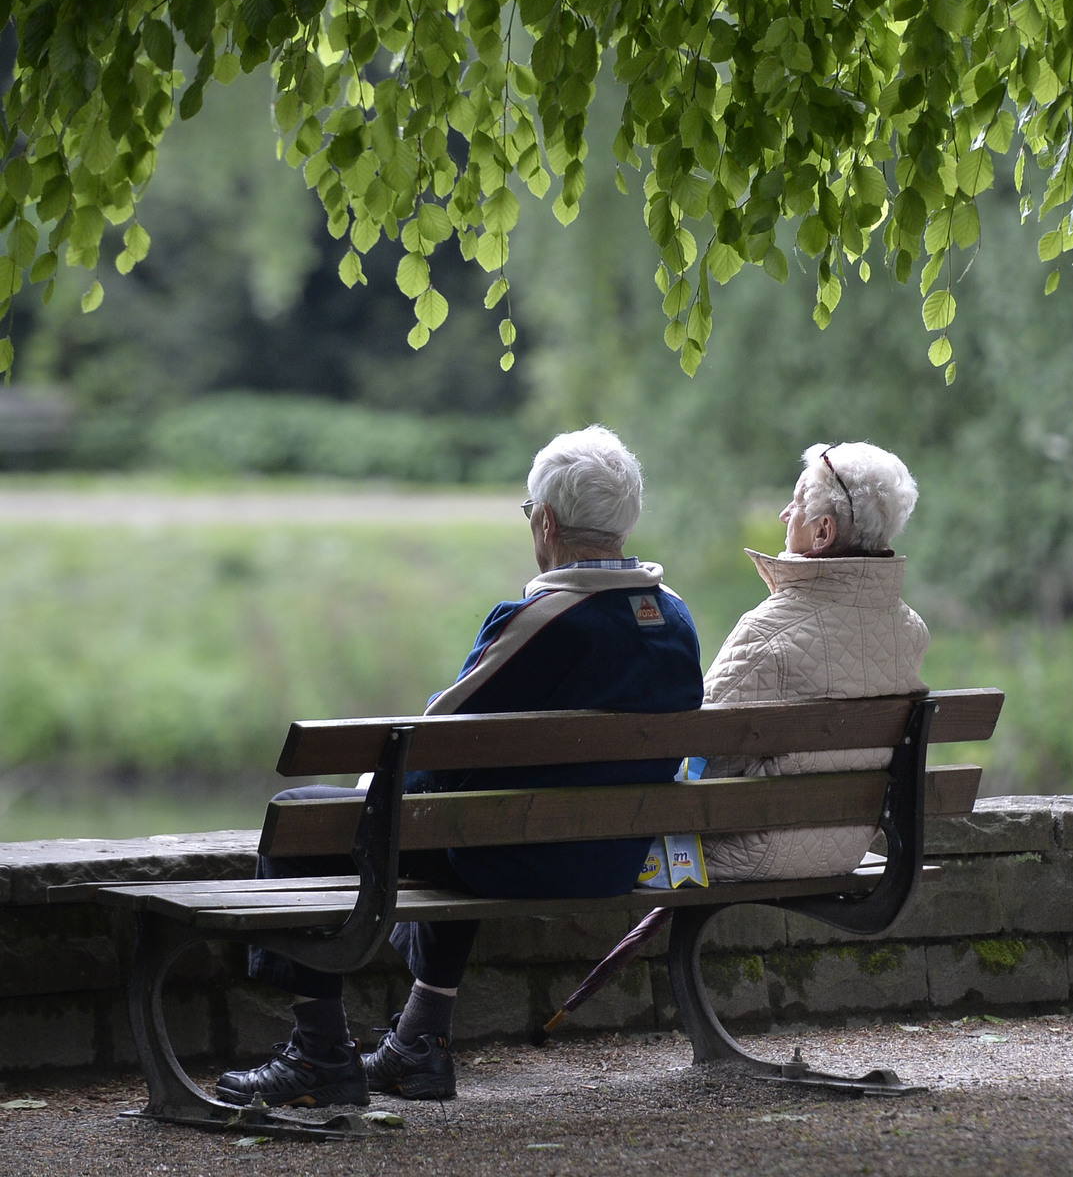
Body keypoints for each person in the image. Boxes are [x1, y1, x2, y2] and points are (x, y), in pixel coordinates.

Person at [214, 426, 702, 1109]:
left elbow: (432, 740)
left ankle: (319, 1052)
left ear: (546, 521)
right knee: (461, 813)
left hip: (522, 859)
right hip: (613, 860)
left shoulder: (545, 620)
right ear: (625, 522)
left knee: (310, 817)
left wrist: (372, 798)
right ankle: (420, 1041)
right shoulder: (674, 619)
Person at [697, 441, 928, 882]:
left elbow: (697, 751)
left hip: (747, 850)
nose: (784, 514)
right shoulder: (911, 632)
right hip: (845, 851)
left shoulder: (768, 631)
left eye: (797, 502)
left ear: (822, 533)